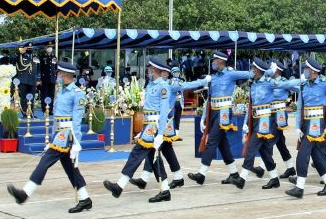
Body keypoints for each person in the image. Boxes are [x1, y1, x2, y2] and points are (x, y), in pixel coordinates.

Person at [104, 58, 206, 202]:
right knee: (152, 158)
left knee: (137, 153)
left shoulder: (164, 86)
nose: (148, 71)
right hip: (148, 125)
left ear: (155, 71)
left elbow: (164, 111)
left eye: (150, 69)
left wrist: (160, 133)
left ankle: (120, 185)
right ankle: (164, 189)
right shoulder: (151, 85)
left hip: (155, 127)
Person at [6, 61, 93, 213]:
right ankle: (85, 199)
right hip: (59, 135)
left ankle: (25, 193)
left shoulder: (77, 93)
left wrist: (76, 142)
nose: (57, 76)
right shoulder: (61, 91)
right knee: (71, 169)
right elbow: (56, 119)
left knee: (44, 162)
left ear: (65, 75)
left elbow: (77, 119)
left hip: (67, 135)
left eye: (59, 73)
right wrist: (53, 138)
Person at [282, 58, 326, 198]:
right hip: (306, 123)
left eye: (306, 69)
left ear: (313, 71)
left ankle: (300, 187)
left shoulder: (324, 83)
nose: (305, 72)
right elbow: (300, 106)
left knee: (303, 154)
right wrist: (298, 126)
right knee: (317, 154)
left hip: (317, 123)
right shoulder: (304, 85)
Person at [188, 50, 251, 186]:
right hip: (213, 112)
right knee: (223, 144)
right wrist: (204, 116)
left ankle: (202, 174)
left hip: (223, 112)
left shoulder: (231, 74)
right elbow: (209, 99)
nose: (213, 63)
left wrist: (268, 73)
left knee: (212, 141)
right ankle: (234, 174)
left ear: (221, 61)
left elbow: (250, 74)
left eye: (215, 60)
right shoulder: (214, 77)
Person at [238, 59, 284, 189]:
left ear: (257, 70)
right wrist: (246, 122)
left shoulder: (268, 83)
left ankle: (242, 178)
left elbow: (285, 86)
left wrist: (301, 83)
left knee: (251, 147)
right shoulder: (253, 84)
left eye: (253, 68)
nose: (251, 70)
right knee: (264, 151)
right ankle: (274, 178)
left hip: (265, 120)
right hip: (255, 119)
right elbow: (250, 105)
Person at [14, 42, 37, 113]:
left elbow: (38, 67)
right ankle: (24, 111)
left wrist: (38, 79)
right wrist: (19, 53)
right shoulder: (20, 56)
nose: (30, 49)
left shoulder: (35, 57)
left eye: (31, 48)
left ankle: (31, 111)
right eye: (28, 48)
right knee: (24, 97)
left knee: (31, 97)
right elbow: (13, 60)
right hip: (24, 80)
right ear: (25, 49)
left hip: (32, 79)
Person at [38, 45, 58, 116]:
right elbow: (40, 68)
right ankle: (45, 109)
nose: (49, 48)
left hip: (52, 79)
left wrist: (56, 78)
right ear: (45, 48)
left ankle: (51, 109)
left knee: (51, 95)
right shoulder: (42, 57)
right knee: (45, 94)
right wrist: (40, 79)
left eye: (51, 47)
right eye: (48, 47)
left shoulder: (54, 57)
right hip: (44, 79)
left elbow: (55, 68)